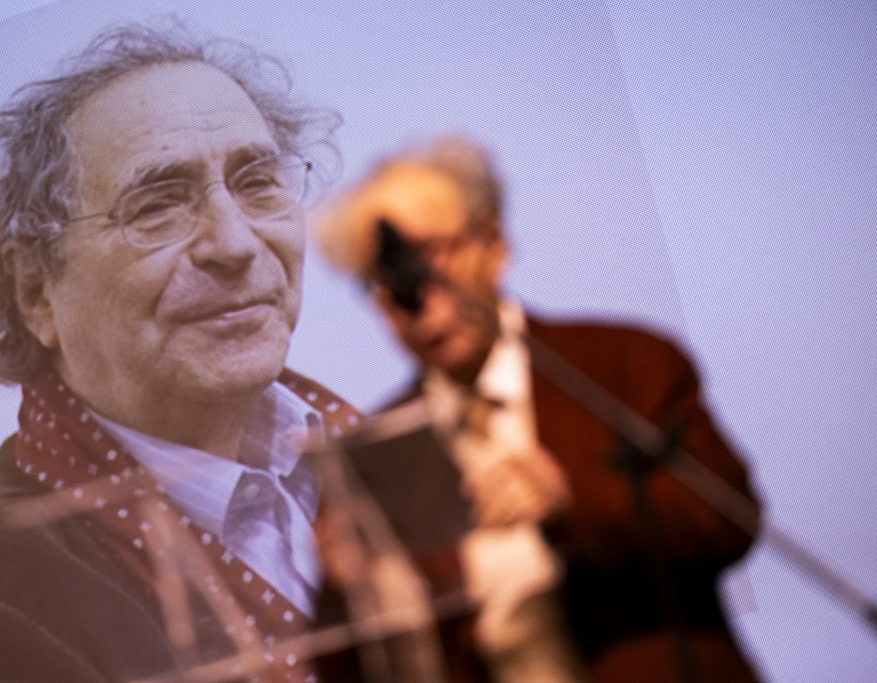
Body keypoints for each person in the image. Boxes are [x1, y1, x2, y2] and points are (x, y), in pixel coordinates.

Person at [0, 22, 359, 683]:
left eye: (257, 182)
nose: (236, 243)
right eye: (157, 205)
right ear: (36, 291)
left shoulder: (392, 446)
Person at [314, 136, 762, 682]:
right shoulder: (374, 457)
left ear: (494, 246)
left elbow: (728, 519)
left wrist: (572, 501)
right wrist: (350, 591)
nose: (416, 297)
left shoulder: (621, 366)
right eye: (382, 277)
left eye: (428, 256)